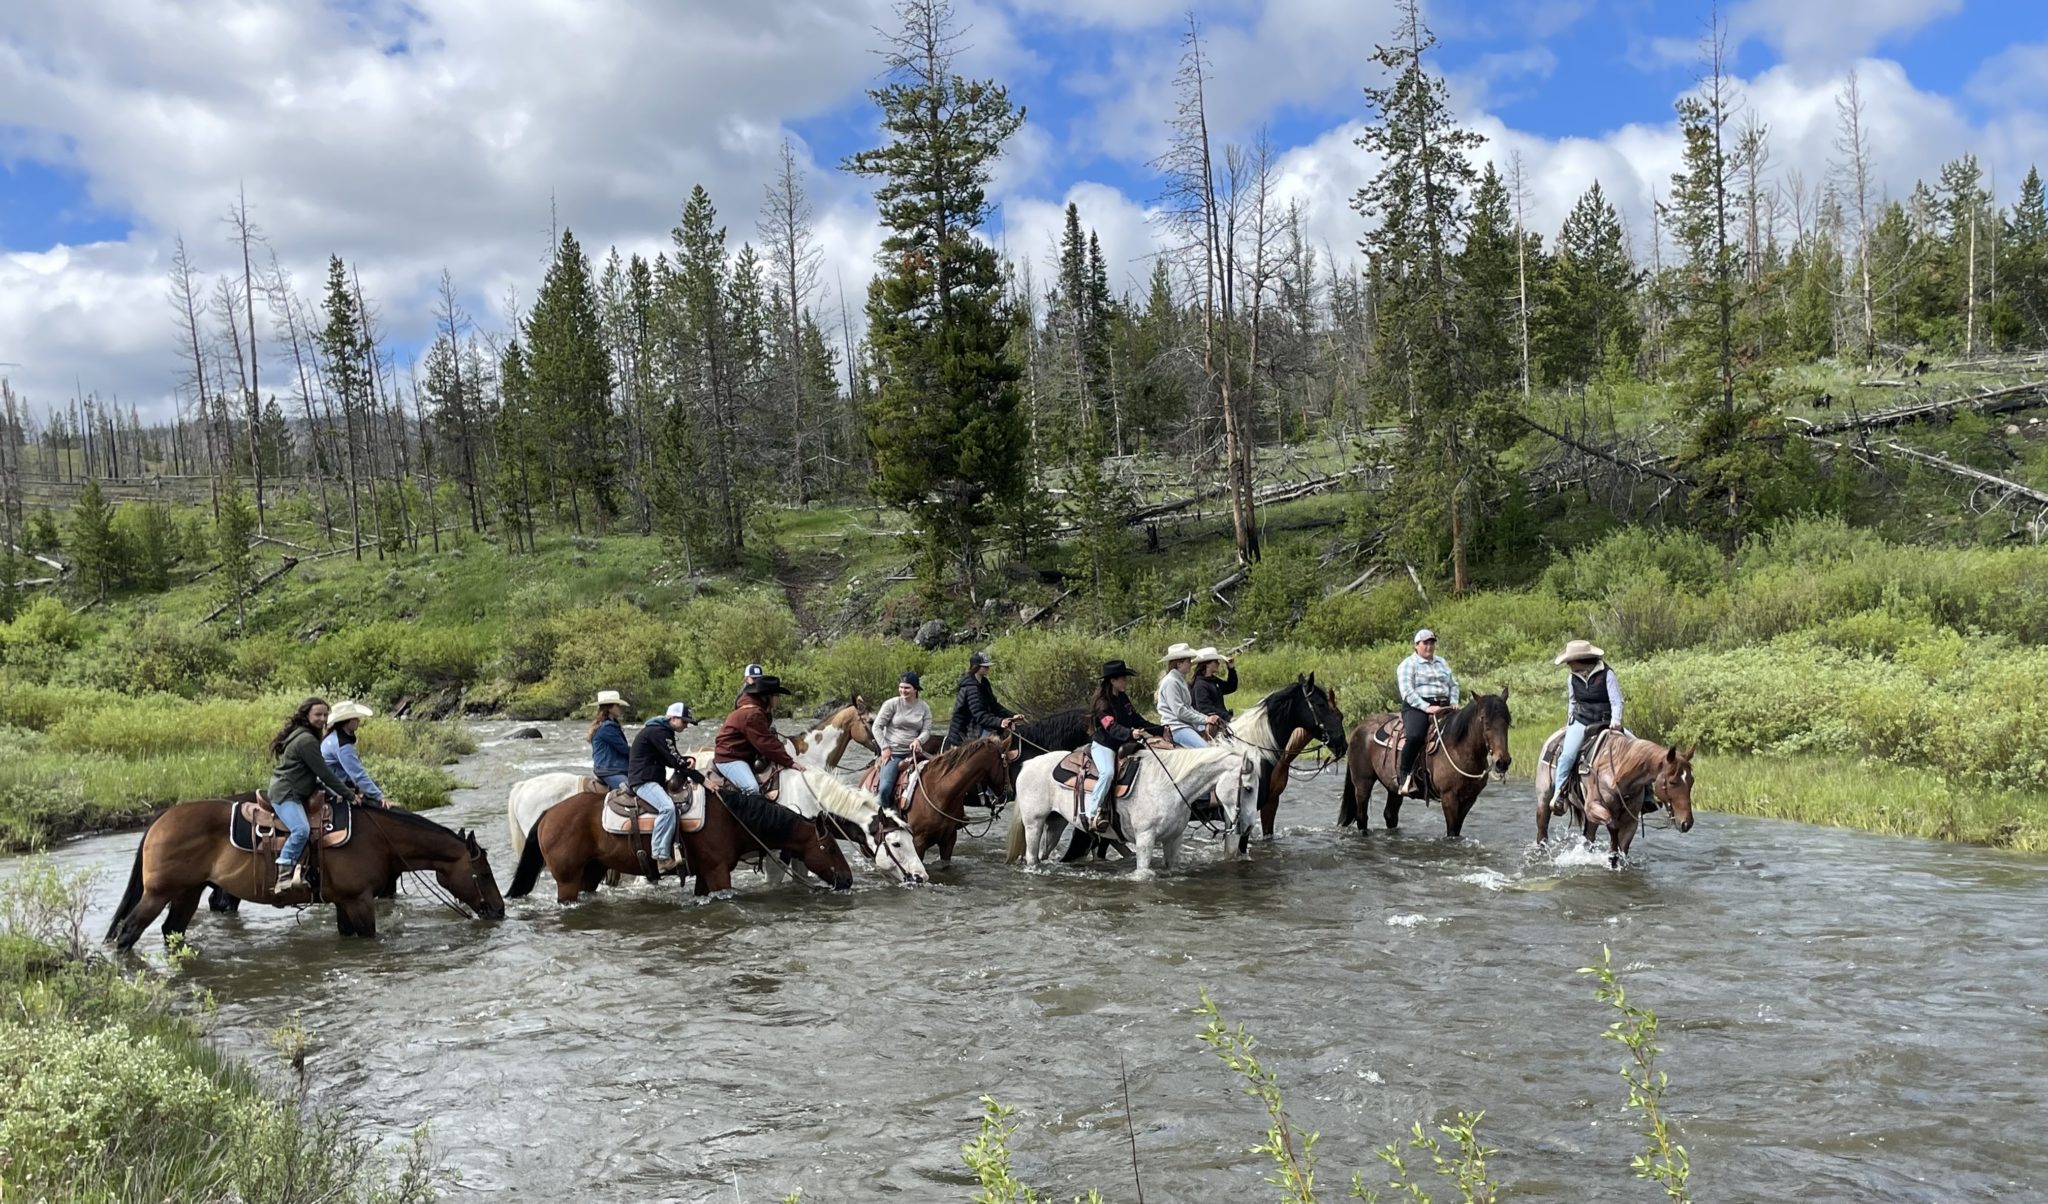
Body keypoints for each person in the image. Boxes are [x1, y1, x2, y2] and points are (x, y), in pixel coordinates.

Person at [267, 697, 362, 891]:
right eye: (317, 714)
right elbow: (324, 772)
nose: (322, 718)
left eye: (325, 715)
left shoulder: (307, 734)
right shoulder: (306, 739)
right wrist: (350, 795)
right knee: (301, 830)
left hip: (296, 788)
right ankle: (283, 876)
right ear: (306, 715)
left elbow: (313, 774)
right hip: (287, 792)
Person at [1083, 660, 1167, 833]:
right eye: (1123, 679)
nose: (1125, 682)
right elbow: (1111, 726)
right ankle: (1091, 813)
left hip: (1124, 743)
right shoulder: (1102, 703)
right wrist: (1130, 734)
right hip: (1105, 745)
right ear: (1113, 680)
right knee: (1107, 773)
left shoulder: (1123, 698)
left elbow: (1136, 719)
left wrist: (1158, 729)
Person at [1545, 639, 1624, 815]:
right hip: (1582, 721)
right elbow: (1572, 702)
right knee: (1567, 755)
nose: (1568, 665)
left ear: (1580, 660)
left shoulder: (1607, 674)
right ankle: (1559, 793)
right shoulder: (1572, 678)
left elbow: (1616, 701)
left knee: (1638, 747)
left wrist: (1616, 720)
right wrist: (1570, 722)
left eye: (1569, 662)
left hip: (1606, 722)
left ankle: (1647, 795)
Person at [627, 703, 702, 873]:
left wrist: (683, 760)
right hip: (643, 781)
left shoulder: (659, 730)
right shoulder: (659, 732)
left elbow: (671, 759)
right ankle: (661, 856)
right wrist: (700, 778)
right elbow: (674, 761)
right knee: (667, 808)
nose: (686, 725)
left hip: (649, 777)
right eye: (684, 722)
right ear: (673, 718)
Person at [1394, 629, 1460, 797]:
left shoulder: (1442, 662)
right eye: (1425, 643)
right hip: (1416, 706)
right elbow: (1407, 692)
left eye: (1432, 643)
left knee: (1464, 731)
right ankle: (1405, 774)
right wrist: (1426, 707)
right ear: (1416, 646)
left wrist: (1453, 702)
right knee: (1416, 735)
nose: (1429, 646)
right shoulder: (1408, 664)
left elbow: (1454, 684)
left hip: (1444, 705)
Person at [715, 674, 799, 794]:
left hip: (740, 753)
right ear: (768, 697)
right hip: (729, 758)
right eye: (777, 695)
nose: (779, 699)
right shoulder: (753, 714)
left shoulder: (757, 710)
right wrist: (790, 762)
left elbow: (767, 738)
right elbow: (765, 744)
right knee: (752, 788)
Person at [872, 671, 933, 811]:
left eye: (907, 688)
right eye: (901, 687)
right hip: (893, 753)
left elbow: (927, 730)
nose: (903, 690)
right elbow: (877, 727)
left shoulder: (924, 707)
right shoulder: (891, 704)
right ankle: (884, 816)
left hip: (915, 754)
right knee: (885, 788)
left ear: (915, 689)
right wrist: (885, 748)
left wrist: (919, 740)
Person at [320, 700, 388, 808]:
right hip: (334, 788)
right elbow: (358, 775)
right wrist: (379, 796)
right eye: (355, 718)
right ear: (347, 721)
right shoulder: (342, 745)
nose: (358, 721)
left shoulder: (334, 736)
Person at [945, 650, 1015, 747]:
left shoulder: (984, 683)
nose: (988, 668)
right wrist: (999, 722)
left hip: (977, 726)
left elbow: (994, 705)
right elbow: (979, 715)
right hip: (967, 732)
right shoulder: (970, 688)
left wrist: (1012, 716)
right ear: (976, 667)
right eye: (985, 666)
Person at [1155, 642, 1213, 749]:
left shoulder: (1179, 680)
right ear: (1179, 664)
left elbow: (1188, 708)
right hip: (1176, 727)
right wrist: (1205, 720)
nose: (1191, 664)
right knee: (1206, 749)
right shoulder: (1171, 682)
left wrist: (1206, 718)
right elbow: (1180, 711)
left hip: (1184, 725)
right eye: (1188, 661)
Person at [588, 690, 632, 789]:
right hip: (610, 770)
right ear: (610, 708)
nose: (620, 708)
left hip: (609, 767)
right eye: (617, 705)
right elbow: (624, 749)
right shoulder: (607, 727)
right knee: (630, 790)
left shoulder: (606, 725)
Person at [1191, 647, 1238, 725]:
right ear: (1207, 664)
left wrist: (1231, 669)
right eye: (1215, 661)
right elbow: (1205, 708)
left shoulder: (1212, 680)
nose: (1218, 663)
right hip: (1210, 723)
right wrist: (1228, 717)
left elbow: (1231, 687)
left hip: (1219, 721)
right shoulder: (1200, 685)